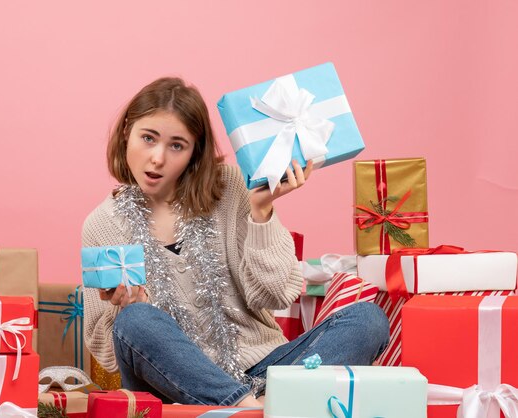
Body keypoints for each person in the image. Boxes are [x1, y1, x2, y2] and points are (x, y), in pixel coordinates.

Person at [82, 77, 389, 407]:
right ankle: (256, 409)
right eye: (148, 138)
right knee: (136, 321)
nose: (157, 158)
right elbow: (106, 349)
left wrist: (262, 211)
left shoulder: (229, 187)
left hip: (265, 370)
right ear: (127, 131)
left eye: (176, 145)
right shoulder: (101, 224)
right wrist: (126, 308)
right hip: (173, 387)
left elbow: (276, 293)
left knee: (367, 320)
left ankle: (264, 405)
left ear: (193, 153)